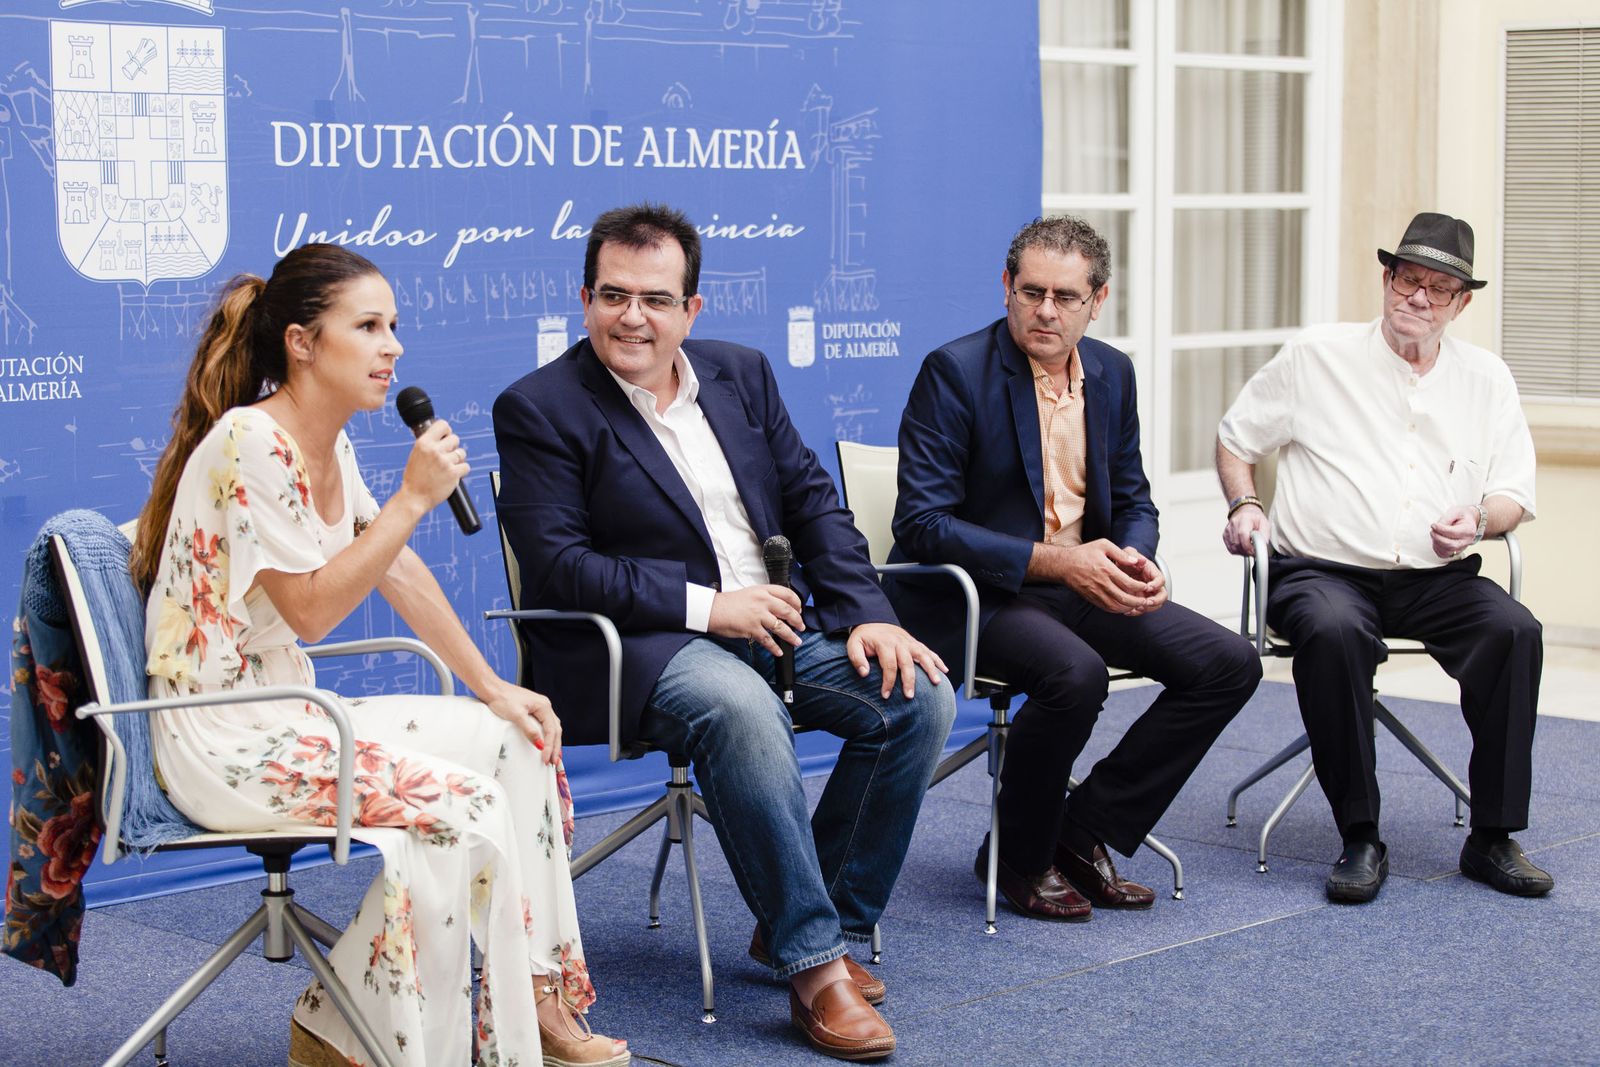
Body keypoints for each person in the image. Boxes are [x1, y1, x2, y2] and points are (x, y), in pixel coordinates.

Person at [131, 244, 628, 1067]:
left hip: (293, 715)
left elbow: (397, 568)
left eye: (393, 325)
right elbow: (315, 611)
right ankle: (381, 1041)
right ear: (301, 341)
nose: (392, 345)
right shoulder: (249, 441)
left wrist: (493, 685)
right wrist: (411, 499)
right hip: (222, 736)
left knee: (515, 739)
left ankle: (535, 999)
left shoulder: (335, 439)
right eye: (367, 325)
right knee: (456, 805)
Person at [493, 203, 955, 1061]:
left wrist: (872, 616)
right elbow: (560, 566)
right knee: (740, 707)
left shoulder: (740, 374)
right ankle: (815, 967)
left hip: (778, 621)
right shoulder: (540, 406)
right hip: (636, 647)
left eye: (656, 300)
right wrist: (712, 606)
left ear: (692, 310)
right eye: (613, 295)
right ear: (583, 297)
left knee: (917, 692)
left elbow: (816, 503)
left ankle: (822, 922)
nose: (633, 317)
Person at [889, 215, 1261, 921]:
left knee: (1228, 661)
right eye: (1032, 292)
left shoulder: (1112, 372)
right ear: (1006, 288)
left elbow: (1136, 494)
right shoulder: (956, 371)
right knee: (1076, 674)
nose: (1046, 311)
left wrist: (1134, 556)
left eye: (1066, 296)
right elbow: (922, 525)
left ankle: (1081, 828)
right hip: (979, 597)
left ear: (1099, 299)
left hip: (1083, 583)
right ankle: (1020, 858)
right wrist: (1063, 563)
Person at [1216, 211, 1551, 903]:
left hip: (1437, 575)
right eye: (1407, 279)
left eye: (1438, 288)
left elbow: (1515, 491)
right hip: (1320, 571)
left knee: (1515, 631)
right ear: (1385, 279)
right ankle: (1361, 834)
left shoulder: (1487, 379)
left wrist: (1482, 517)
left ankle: (1492, 836)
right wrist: (1244, 504)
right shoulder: (1318, 356)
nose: (1418, 298)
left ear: (1462, 303)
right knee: (1336, 630)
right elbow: (1235, 439)